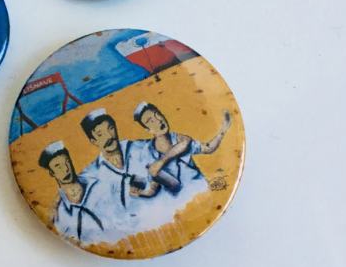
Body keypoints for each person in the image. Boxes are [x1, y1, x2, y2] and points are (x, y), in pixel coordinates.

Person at [133, 102, 233, 202]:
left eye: (158, 114)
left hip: (201, 192)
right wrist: (143, 193)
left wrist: (222, 131)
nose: (159, 120)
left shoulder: (180, 139)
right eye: (151, 121)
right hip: (177, 202)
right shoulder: (148, 152)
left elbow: (208, 148)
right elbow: (153, 183)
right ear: (148, 130)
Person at [77, 108, 153, 237]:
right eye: (100, 134)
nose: (109, 136)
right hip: (126, 234)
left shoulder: (139, 148)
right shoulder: (93, 175)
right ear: (93, 141)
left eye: (110, 128)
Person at [38, 141, 106, 243]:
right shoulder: (59, 213)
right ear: (52, 173)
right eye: (58, 166)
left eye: (67, 162)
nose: (66, 169)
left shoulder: (98, 185)